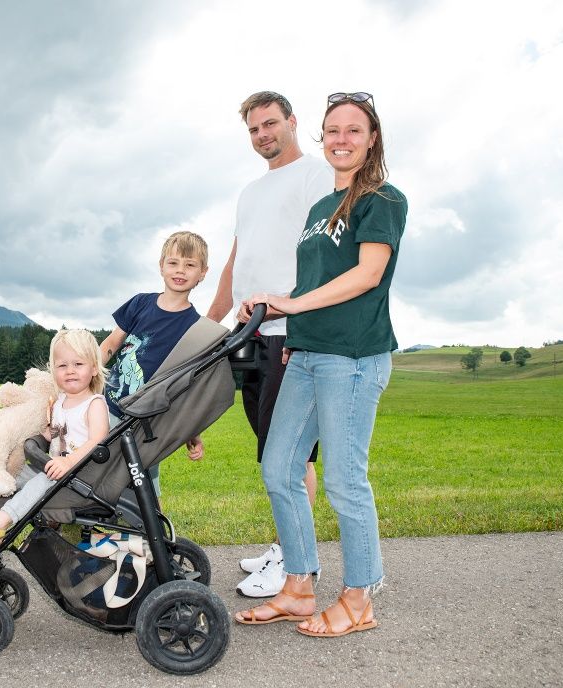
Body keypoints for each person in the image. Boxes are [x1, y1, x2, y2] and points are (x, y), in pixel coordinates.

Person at [233, 91, 406, 638]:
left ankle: (358, 599)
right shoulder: (317, 211)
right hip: (305, 353)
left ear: (372, 139)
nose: (341, 139)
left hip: (352, 358)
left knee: (345, 481)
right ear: (322, 137)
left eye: (354, 130)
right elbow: (309, 282)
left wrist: (290, 306)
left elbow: (367, 274)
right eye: (333, 130)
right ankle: (299, 587)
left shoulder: (382, 199)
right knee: (279, 467)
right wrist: (276, 308)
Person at [206, 91, 333, 598]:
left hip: (290, 334)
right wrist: (207, 326)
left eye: (270, 124)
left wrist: (295, 313)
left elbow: (325, 255)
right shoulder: (250, 193)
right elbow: (236, 263)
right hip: (249, 336)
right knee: (269, 449)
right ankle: (286, 546)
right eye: (254, 128)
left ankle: (295, 564)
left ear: (292, 121)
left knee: (291, 456)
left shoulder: (316, 175)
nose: (263, 135)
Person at [0, 328, 110, 543]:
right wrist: (46, 435)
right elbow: (61, 434)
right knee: (11, 473)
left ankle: (0, 522)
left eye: (78, 364)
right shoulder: (60, 402)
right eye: (62, 365)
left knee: (40, 483)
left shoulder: (94, 404)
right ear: (53, 370)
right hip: (53, 470)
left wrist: (69, 462)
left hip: (81, 476)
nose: (70, 371)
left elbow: (98, 441)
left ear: (94, 368)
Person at [100, 230, 208, 492]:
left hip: (148, 420)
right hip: (109, 405)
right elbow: (111, 344)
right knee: (96, 470)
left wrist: (191, 432)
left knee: (144, 484)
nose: (180, 270)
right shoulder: (140, 303)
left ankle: (152, 520)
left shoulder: (195, 327)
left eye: (190, 265)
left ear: (203, 273)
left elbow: (185, 384)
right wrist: (87, 378)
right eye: (173, 262)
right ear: (161, 266)